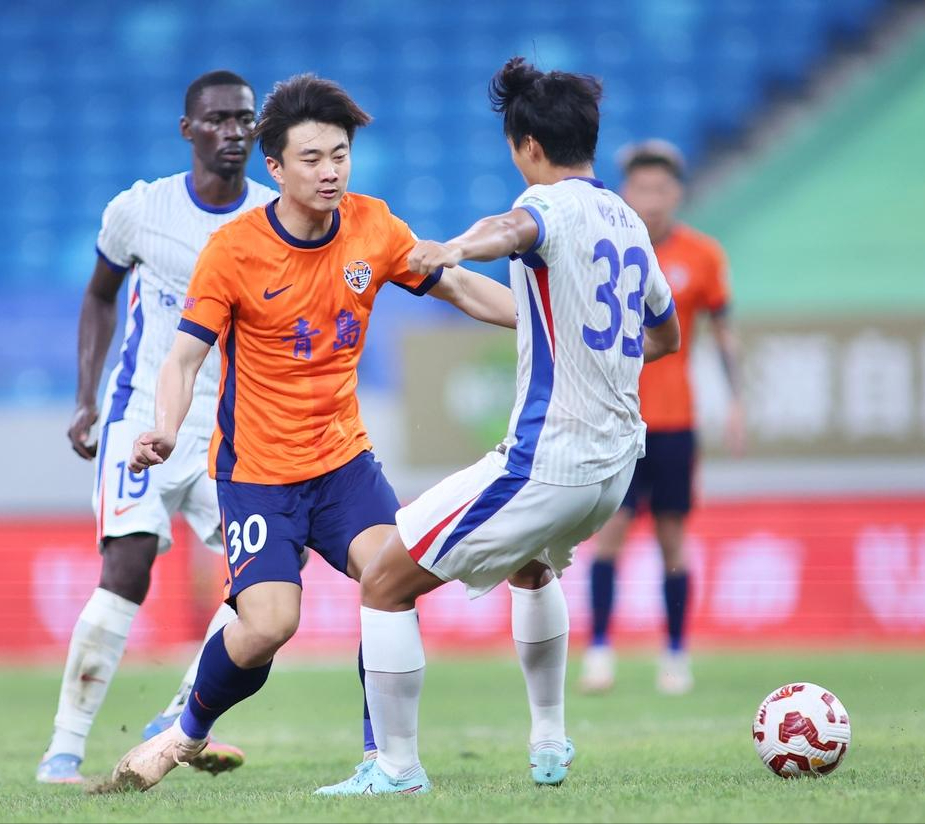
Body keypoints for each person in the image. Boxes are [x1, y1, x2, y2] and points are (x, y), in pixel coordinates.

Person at [94, 72, 518, 794]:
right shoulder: (234, 250)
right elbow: (184, 357)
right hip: (257, 474)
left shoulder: (373, 226)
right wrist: (164, 428)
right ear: (276, 167)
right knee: (267, 626)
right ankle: (184, 734)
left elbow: (458, 287)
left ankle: (385, 761)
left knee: (391, 579)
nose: (330, 172)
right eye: (313, 158)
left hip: (343, 463)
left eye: (340, 155)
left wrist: (543, 325)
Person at [316, 57, 681, 796]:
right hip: (615, 467)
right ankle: (548, 740)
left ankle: (396, 767)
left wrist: (454, 246)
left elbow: (514, 226)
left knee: (384, 579)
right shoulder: (629, 222)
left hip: (547, 463)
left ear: (529, 146)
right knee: (531, 565)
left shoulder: (547, 205)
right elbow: (666, 336)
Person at [35, 70, 280, 784]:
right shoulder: (140, 210)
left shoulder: (272, 217)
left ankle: (178, 716)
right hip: (143, 410)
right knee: (129, 563)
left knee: (268, 576)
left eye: (244, 119)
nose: (233, 131)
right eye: (218, 119)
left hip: (229, 430)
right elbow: (99, 296)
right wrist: (85, 398)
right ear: (187, 130)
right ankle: (64, 750)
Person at [578, 139, 744, 696]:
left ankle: (674, 653)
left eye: (661, 188)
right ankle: (599, 650)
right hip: (615, 420)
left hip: (674, 422)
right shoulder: (606, 251)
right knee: (609, 535)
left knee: (673, 539)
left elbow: (724, 332)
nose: (651, 199)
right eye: (642, 188)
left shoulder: (702, 256)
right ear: (627, 192)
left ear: (677, 193)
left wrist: (736, 401)